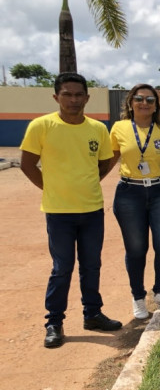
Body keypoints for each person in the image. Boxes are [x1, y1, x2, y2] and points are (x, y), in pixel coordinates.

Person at [20, 72, 123, 348]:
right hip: (59, 212)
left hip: (92, 210)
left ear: (87, 98)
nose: (74, 100)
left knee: (91, 265)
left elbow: (104, 164)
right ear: (56, 97)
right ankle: (54, 322)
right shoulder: (41, 126)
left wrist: (87, 183)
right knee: (62, 267)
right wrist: (51, 188)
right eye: (67, 94)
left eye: (79, 95)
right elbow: (27, 164)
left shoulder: (98, 129)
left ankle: (92, 314)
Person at [110, 84, 160, 319]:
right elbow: (109, 159)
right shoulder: (119, 128)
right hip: (129, 193)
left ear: (156, 105)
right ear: (130, 102)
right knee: (136, 249)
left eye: (150, 100)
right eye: (139, 99)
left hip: (159, 192)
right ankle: (138, 297)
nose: (144, 103)